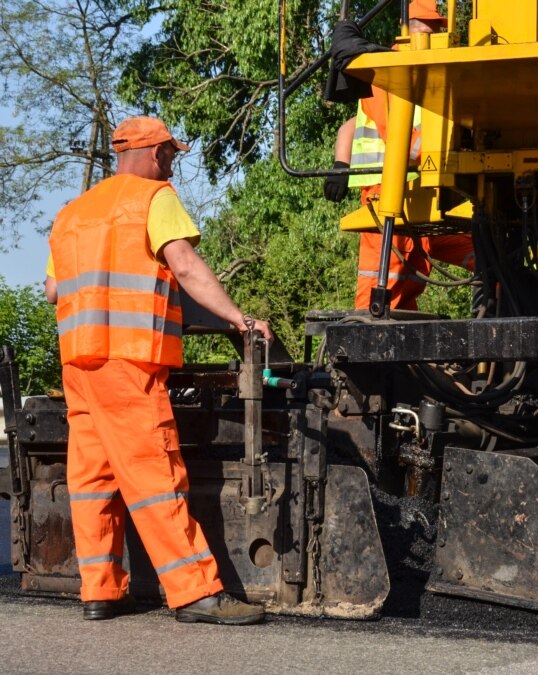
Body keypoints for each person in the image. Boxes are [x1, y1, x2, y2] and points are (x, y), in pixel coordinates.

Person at [44, 116, 270, 625]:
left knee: (93, 480)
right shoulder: (153, 198)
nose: (171, 162)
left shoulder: (71, 213)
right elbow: (184, 264)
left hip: (80, 366)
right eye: (168, 153)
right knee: (156, 475)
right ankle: (195, 593)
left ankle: (100, 591)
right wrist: (238, 317)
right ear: (148, 153)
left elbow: (55, 292)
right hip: (127, 362)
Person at [324, 0, 475, 311]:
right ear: (409, 27)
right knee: (384, 282)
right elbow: (404, 141)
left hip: (426, 192)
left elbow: (350, 124)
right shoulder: (391, 71)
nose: (434, 32)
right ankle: (366, 344)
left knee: (410, 281)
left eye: (437, 27)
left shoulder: (425, 72)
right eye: (428, 26)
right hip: (389, 195)